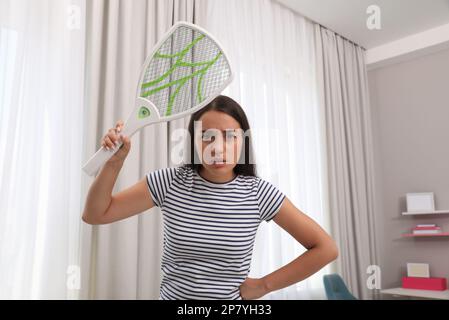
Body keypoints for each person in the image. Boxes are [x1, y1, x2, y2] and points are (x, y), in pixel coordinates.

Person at [82, 95, 338, 300]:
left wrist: (263, 286)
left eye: (230, 136)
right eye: (207, 137)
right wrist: (114, 162)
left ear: (244, 141)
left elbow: (325, 248)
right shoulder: (170, 182)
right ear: (194, 142)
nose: (218, 147)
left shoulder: (259, 194)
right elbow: (95, 214)